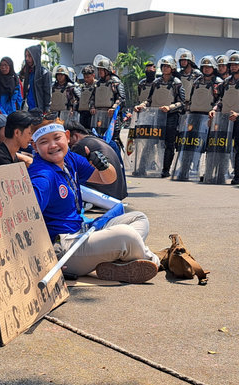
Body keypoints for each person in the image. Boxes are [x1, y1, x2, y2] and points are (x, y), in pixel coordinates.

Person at [28, 118, 158, 282]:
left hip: (81, 231)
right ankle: (152, 260)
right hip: (64, 248)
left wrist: (103, 166)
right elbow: (27, 214)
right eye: (44, 141)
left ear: (67, 136)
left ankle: (119, 261)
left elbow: (108, 179)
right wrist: (39, 258)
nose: (53, 145)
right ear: (35, 146)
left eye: (57, 137)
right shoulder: (42, 175)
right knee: (126, 236)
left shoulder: (69, 159)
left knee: (139, 218)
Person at [210, 51, 239, 185]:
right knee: (222, 146)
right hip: (225, 118)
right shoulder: (226, 82)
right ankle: (218, 174)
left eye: (236, 64)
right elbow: (221, 100)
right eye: (231, 65)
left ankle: (238, 176)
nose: (233, 67)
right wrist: (214, 110)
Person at [136, 55, 185, 177]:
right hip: (155, 116)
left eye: (167, 66)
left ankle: (165, 170)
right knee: (150, 142)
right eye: (163, 66)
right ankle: (141, 168)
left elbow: (182, 102)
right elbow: (149, 100)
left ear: (172, 68)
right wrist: (142, 105)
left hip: (171, 117)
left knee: (169, 144)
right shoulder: (155, 82)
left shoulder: (176, 83)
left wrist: (170, 107)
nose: (165, 68)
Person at [67, 120, 128, 200]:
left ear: (75, 136)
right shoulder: (100, 141)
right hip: (117, 194)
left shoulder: (80, 146)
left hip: (103, 196)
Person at [20, 45, 52, 112]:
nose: (27, 59)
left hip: (39, 110)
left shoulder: (44, 73)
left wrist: (46, 110)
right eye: (26, 56)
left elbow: (47, 93)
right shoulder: (28, 73)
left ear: (35, 56)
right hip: (27, 109)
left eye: (29, 56)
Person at [77, 65, 97, 129]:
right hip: (83, 113)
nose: (86, 79)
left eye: (88, 77)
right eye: (84, 77)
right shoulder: (82, 87)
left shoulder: (98, 86)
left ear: (93, 75)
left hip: (93, 114)